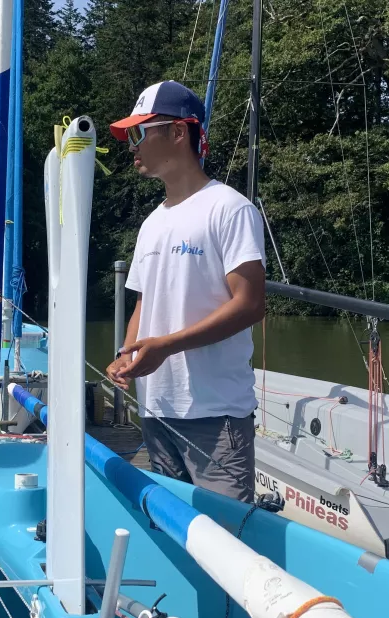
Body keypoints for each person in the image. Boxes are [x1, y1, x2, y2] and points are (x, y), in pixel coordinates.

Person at [104, 81, 267, 503]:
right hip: (157, 410)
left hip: (214, 414)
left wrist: (167, 346)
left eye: (139, 132)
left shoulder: (230, 209)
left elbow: (250, 304)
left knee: (226, 541)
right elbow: (145, 301)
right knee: (173, 531)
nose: (131, 146)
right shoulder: (151, 222)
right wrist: (127, 355)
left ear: (178, 132)